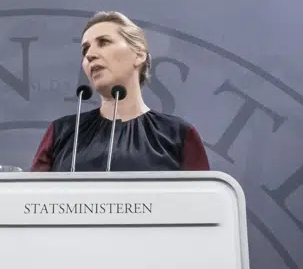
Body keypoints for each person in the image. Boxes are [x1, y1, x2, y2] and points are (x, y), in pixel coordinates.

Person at [31, 11, 209, 172]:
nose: (90, 55)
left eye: (104, 42)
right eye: (85, 49)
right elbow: (31, 195)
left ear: (139, 55)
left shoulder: (177, 134)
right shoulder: (62, 132)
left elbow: (204, 196)